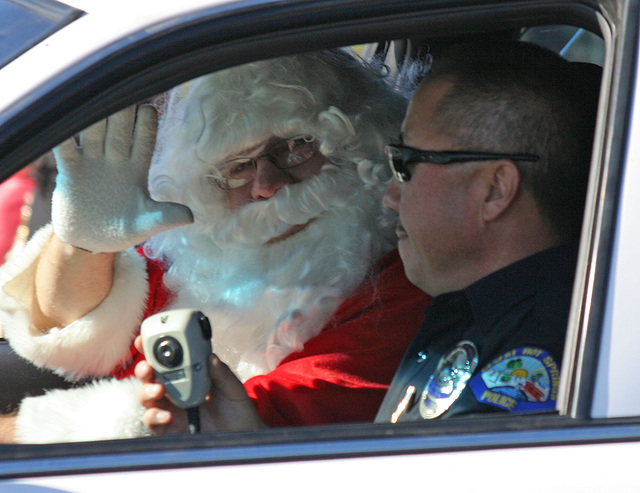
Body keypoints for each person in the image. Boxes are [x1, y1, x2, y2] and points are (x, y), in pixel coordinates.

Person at [137, 39, 596, 433]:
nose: (391, 193)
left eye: (408, 164)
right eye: (237, 169)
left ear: (495, 189)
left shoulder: (527, 364)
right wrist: (245, 438)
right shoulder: (476, 316)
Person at [0, 49, 430, 443]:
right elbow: (74, 324)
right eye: (238, 167)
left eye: (296, 147)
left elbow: (236, 422)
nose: (266, 186)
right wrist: (85, 242)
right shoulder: (206, 250)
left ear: (360, 143)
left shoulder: (408, 279)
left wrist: (22, 435)